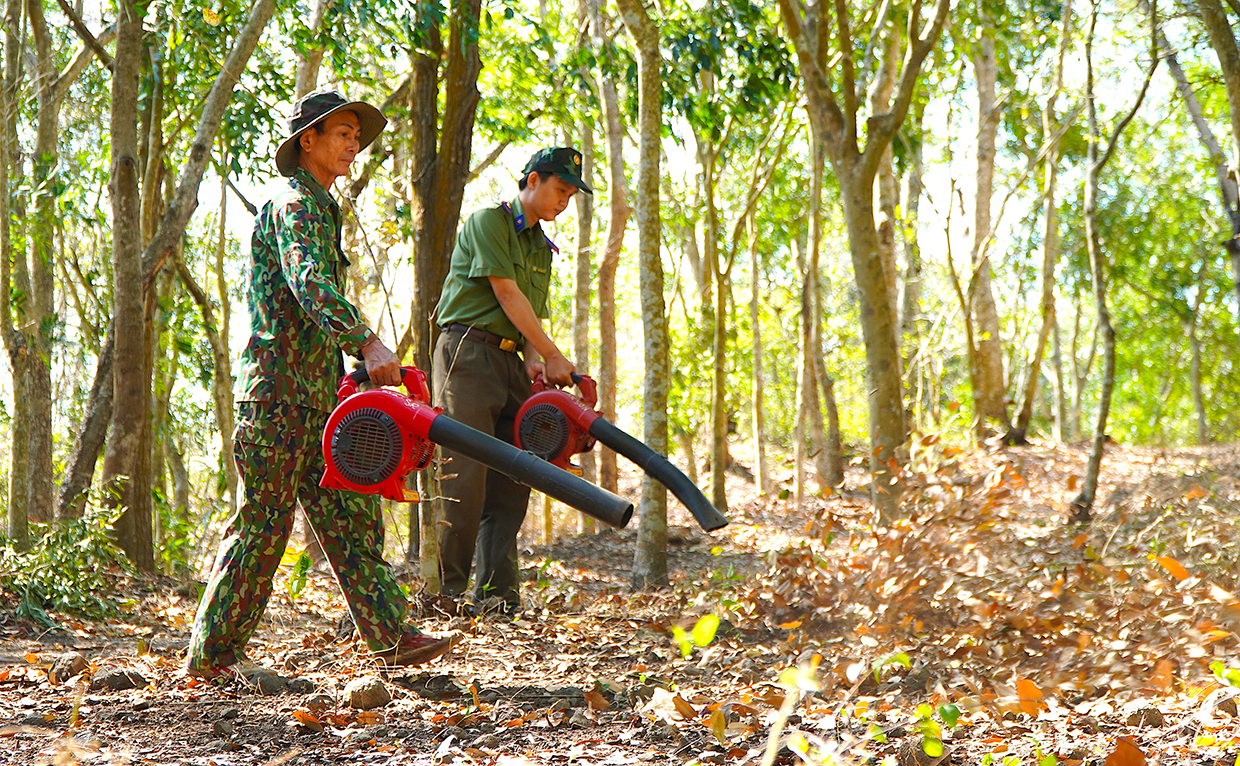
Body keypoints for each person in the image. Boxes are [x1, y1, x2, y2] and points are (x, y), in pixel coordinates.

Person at [186, 89, 455, 680]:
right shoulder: (294, 204)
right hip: (277, 400)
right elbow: (309, 284)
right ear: (307, 140)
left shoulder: (321, 207)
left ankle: (391, 636)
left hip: (319, 400)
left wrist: (356, 367)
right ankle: (210, 658)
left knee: (352, 517)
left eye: (358, 135)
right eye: (342, 132)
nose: (354, 143)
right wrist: (367, 340)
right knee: (262, 526)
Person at [433, 147, 592, 616]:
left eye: (571, 195)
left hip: (509, 364)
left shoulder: (541, 246)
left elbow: (525, 315)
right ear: (533, 180)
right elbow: (505, 292)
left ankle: (498, 597)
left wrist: (533, 361)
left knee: (513, 479)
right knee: (464, 474)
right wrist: (553, 353)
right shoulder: (489, 222)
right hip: (467, 353)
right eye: (561, 189)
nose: (565, 201)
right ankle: (446, 595)